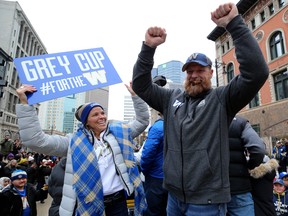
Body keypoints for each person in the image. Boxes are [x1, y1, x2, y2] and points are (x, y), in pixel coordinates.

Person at [132, 2, 269, 215]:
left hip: (207, 202)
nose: (194, 75)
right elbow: (141, 85)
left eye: (200, 70)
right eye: (190, 71)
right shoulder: (171, 99)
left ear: (211, 73)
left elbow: (257, 72)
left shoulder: (222, 99)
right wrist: (148, 48)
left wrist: (234, 24)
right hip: (174, 198)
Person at [15, 82, 149, 216]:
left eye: (102, 113)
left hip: (120, 203)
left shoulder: (119, 134)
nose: (102, 116)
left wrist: (136, 96)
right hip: (88, 205)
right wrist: (25, 104)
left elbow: (142, 121)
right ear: (86, 122)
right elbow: (36, 141)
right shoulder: (72, 141)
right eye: (95, 114)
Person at [227, 115, 266, 216]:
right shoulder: (240, 122)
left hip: (211, 190)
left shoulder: (204, 119)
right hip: (239, 188)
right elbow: (259, 149)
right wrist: (250, 165)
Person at [140, 75, 168, 216]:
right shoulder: (176, 126)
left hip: (156, 178)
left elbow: (147, 154)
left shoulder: (158, 127)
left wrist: (145, 170)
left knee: (153, 211)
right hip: (173, 177)